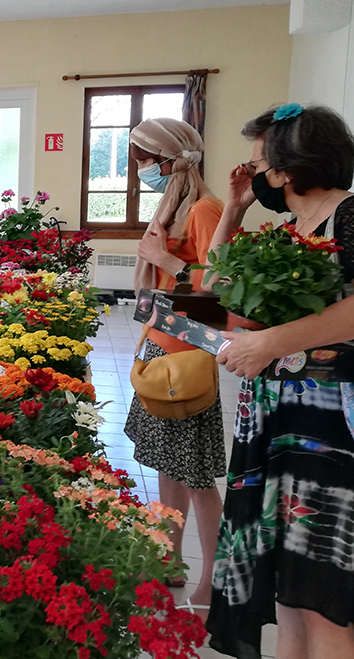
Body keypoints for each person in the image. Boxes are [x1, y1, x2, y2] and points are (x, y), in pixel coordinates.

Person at [207, 104, 354, 659]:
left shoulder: (350, 215)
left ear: (288, 168)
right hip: (279, 418)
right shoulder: (293, 229)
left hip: (329, 427)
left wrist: (270, 342)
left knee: (323, 595)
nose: (253, 176)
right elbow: (222, 282)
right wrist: (235, 210)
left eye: (257, 166)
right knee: (290, 592)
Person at [123, 118, 225, 610]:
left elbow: (218, 293)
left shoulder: (205, 209)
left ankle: (212, 579)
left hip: (186, 357)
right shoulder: (174, 206)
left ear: (170, 159)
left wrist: (165, 256)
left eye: (145, 161)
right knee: (166, 466)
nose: (142, 170)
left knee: (198, 477)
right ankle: (168, 559)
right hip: (159, 346)